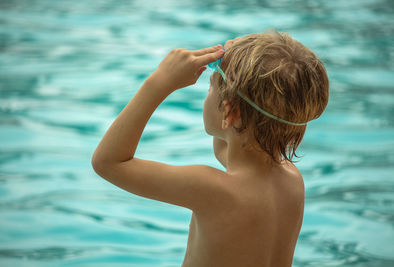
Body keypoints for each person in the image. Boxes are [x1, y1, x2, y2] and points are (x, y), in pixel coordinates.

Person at [91, 29, 329, 267]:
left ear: (229, 112)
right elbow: (230, 144)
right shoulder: (291, 180)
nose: (208, 93)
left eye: (210, 89)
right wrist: (235, 62)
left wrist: (160, 82)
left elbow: (109, 163)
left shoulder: (212, 189)